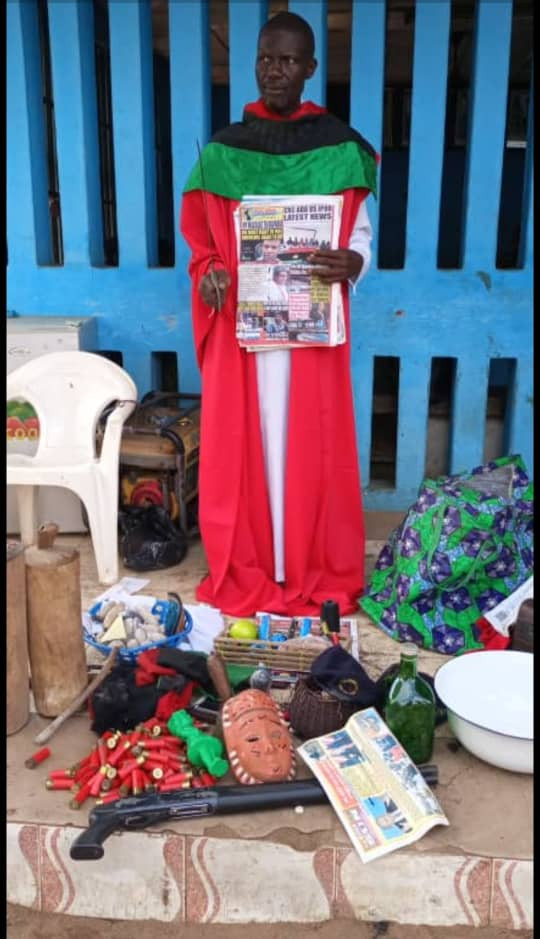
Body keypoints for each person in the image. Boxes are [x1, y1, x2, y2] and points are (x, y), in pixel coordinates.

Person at [181, 11, 378, 616]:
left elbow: (361, 236)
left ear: (310, 69)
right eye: (266, 59)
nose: (274, 71)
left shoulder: (341, 147)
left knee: (307, 449)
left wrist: (354, 262)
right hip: (249, 335)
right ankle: (259, 564)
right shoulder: (223, 150)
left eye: (288, 61)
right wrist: (211, 274)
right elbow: (203, 244)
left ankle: (306, 562)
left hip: (312, 333)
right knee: (253, 446)